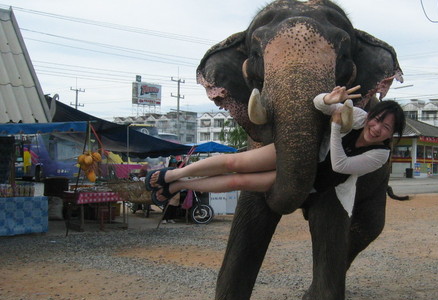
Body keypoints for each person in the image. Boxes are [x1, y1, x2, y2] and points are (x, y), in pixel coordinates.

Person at [146, 86, 404, 213]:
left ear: (392, 134)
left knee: (238, 181)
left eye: (386, 127)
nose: (378, 127)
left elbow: (341, 166)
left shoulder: (380, 155)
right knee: (232, 163)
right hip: (298, 151)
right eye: (377, 119)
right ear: (371, 116)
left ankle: (180, 187)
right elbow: (319, 105)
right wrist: (329, 99)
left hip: (307, 180)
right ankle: (172, 175)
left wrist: (335, 129)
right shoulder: (357, 116)